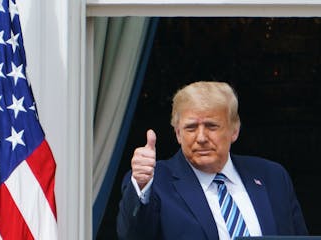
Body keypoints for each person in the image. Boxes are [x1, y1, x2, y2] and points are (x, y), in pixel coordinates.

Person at [116, 81, 308, 240]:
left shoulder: (272, 176)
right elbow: (132, 235)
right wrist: (141, 186)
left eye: (211, 126)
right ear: (178, 134)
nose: (201, 137)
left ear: (234, 130)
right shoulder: (155, 182)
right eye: (191, 127)